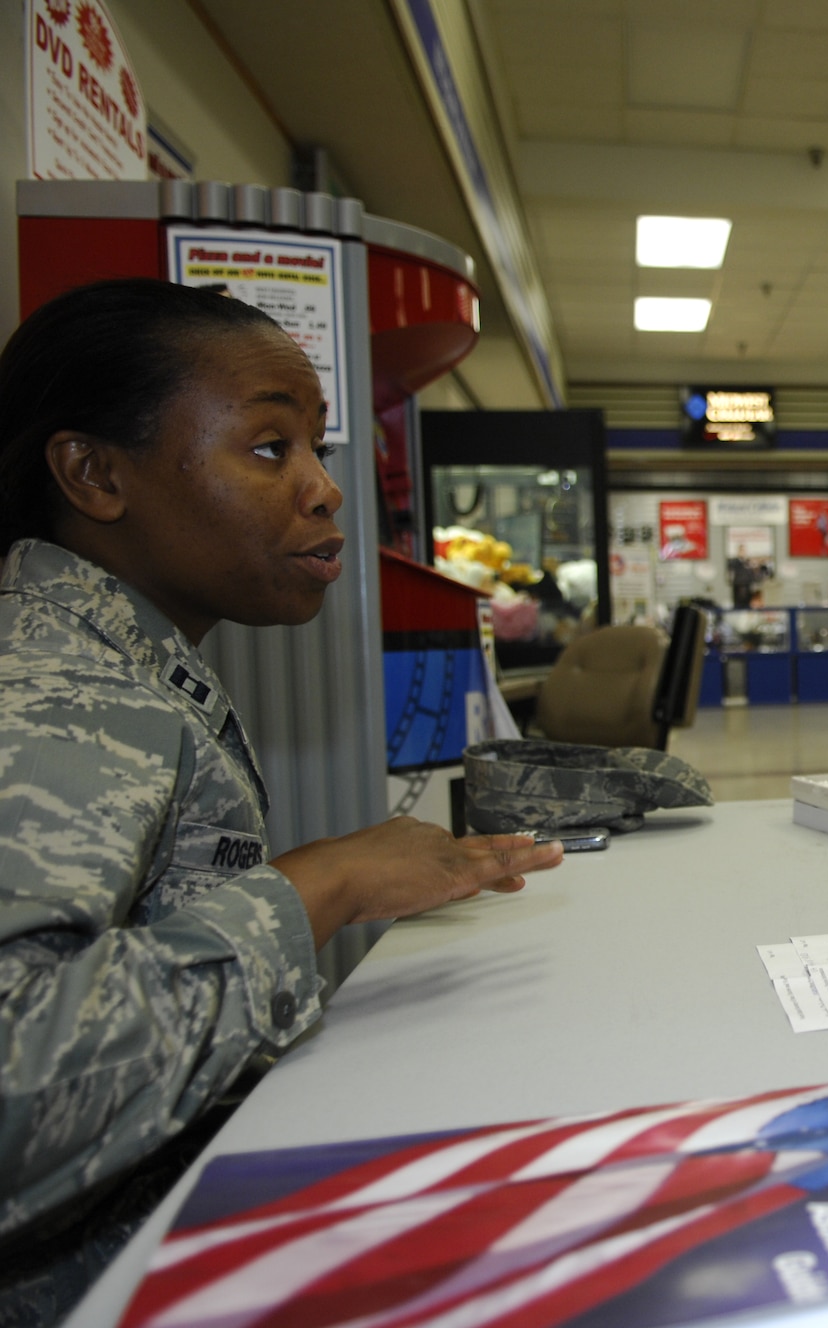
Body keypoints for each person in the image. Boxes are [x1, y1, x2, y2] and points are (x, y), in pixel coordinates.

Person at [0, 280, 565, 1320]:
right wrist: (319, 885)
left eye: (318, 450)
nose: (322, 489)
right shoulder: (48, 689)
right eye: (269, 448)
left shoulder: (118, 659)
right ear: (93, 473)